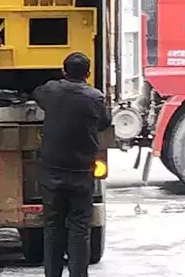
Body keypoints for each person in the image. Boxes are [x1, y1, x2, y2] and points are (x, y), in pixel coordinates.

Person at [31, 52, 111, 277]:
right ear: (87, 73)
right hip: (81, 173)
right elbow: (104, 122)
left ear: (63, 71)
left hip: (53, 172)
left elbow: (35, 93)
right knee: (79, 228)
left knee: (53, 228)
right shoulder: (95, 97)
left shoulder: (51, 91)